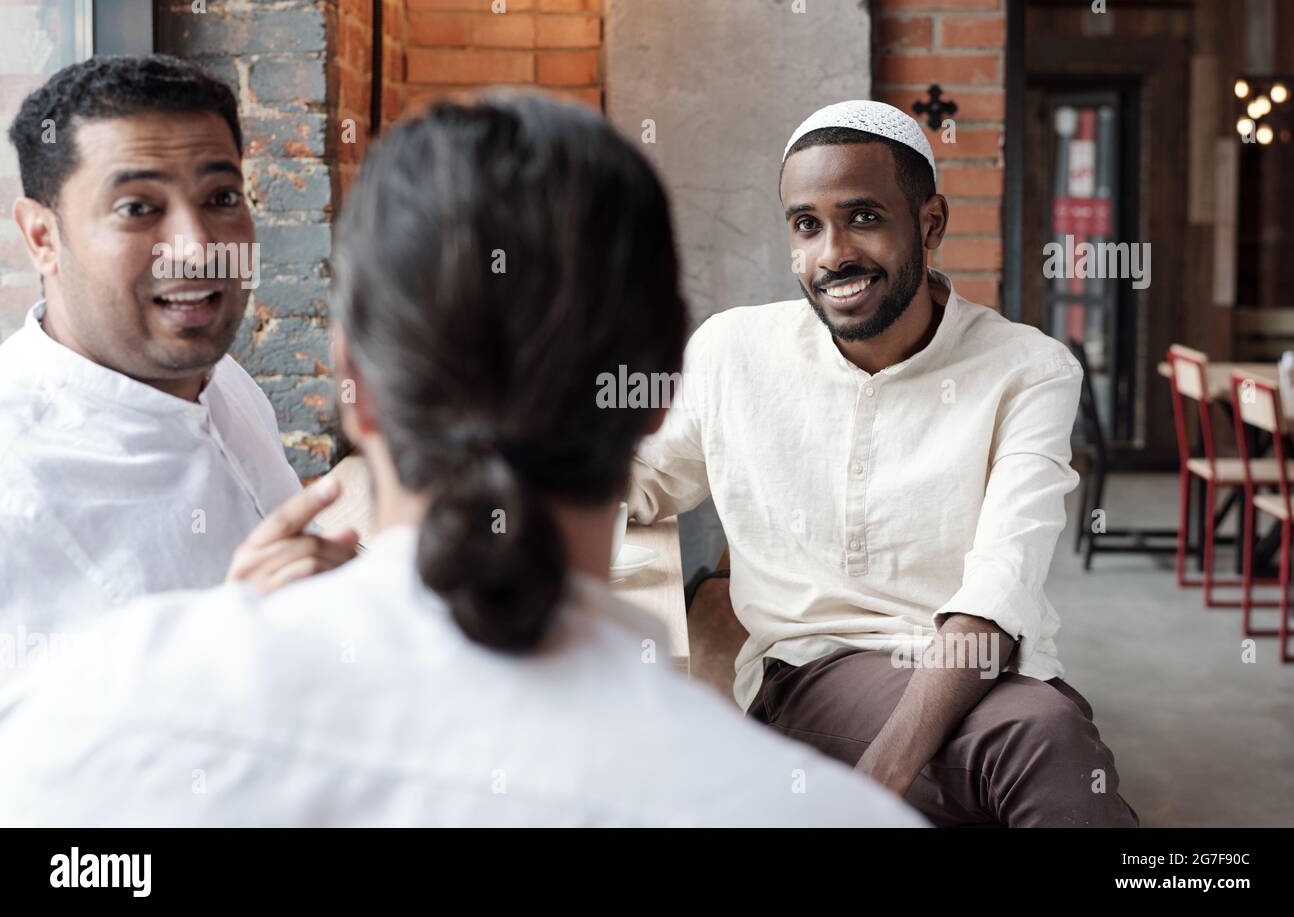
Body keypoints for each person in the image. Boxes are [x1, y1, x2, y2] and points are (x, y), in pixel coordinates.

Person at [0, 93, 924, 827]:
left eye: (218, 194)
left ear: (351, 380)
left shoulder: (84, 725)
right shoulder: (798, 810)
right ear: (662, 390)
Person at [628, 100, 1139, 827]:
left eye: (863, 217)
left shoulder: (1028, 368)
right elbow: (645, 479)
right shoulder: (732, 352)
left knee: (1039, 739)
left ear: (929, 223)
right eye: (806, 225)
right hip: (811, 674)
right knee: (1043, 741)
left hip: (984, 674)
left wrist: (873, 784)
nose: (832, 253)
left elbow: (1000, 586)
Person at [0, 55, 356, 633]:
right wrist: (224, 641)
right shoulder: (14, 485)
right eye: (138, 208)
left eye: (221, 198)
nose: (195, 247)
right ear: (42, 237)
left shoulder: (223, 381)